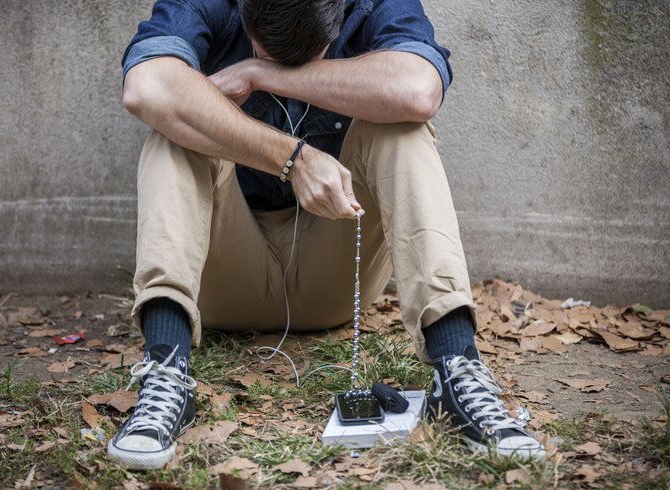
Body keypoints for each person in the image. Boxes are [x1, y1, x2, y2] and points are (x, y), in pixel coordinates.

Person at [107, 0, 546, 470]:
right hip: (221, 279)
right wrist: (293, 157)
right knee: (175, 130)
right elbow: (146, 87)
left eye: (305, 54)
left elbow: (418, 89)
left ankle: (456, 372)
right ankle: (165, 374)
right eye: (262, 46)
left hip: (334, 275)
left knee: (403, 130)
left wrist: (261, 72)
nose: (277, 59)